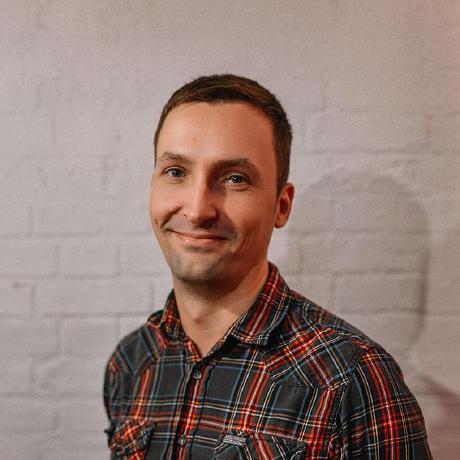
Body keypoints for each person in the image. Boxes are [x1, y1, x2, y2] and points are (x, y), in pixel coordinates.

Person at [103, 74, 432, 459]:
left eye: (235, 178)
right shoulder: (132, 362)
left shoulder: (351, 379)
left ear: (281, 206)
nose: (197, 209)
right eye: (176, 172)